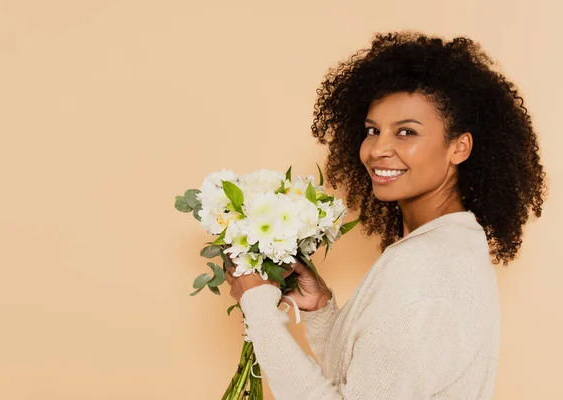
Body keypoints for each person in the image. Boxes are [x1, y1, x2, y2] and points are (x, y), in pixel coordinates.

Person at [224, 32, 546, 399]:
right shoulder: (451, 243)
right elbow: (371, 381)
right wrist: (321, 309)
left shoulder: (425, 267)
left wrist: (259, 309)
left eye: (406, 132)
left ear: (460, 147)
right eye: (373, 131)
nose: (378, 149)